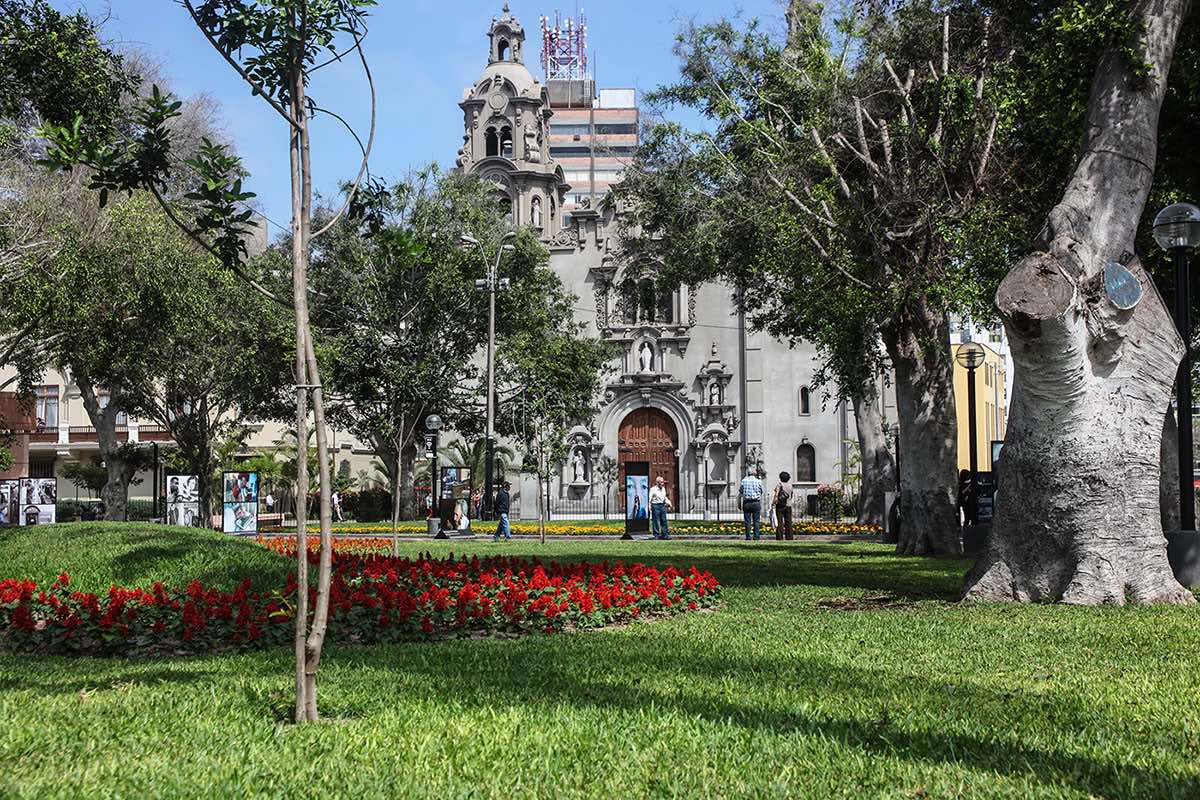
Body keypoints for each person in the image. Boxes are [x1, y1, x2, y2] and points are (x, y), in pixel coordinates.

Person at [739, 468, 764, 541]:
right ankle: (756, 536)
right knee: (756, 520)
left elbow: (741, 491)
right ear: (754, 473)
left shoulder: (743, 481)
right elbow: (761, 491)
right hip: (756, 502)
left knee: (747, 521)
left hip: (746, 503)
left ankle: (748, 537)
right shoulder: (758, 481)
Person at [771, 471, 794, 541]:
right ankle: (789, 537)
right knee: (788, 522)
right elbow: (791, 495)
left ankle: (780, 537)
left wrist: (773, 503)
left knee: (780, 522)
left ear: (781, 478)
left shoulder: (779, 485)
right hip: (788, 505)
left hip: (780, 505)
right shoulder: (790, 486)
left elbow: (776, 495)